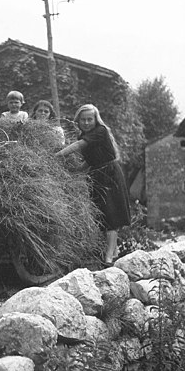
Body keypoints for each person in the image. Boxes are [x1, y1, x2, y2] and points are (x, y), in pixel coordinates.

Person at [55, 104, 130, 266]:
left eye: (90, 119)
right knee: (102, 216)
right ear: (78, 120)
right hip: (96, 175)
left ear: (96, 120)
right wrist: (74, 171)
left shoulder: (100, 131)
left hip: (109, 175)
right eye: (83, 119)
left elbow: (78, 146)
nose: (86, 122)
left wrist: (57, 155)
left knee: (111, 216)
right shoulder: (84, 135)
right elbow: (89, 162)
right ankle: (114, 253)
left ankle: (108, 259)